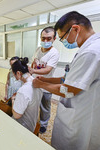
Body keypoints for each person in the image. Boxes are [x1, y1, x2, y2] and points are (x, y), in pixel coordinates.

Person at [32, 11, 100, 150]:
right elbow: (66, 78)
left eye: (63, 38)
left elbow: (69, 90)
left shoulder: (91, 52)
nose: (64, 43)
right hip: (74, 109)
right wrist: (46, 80)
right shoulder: (85, 49)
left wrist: (41, 83)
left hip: (80, 116)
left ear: (75, 29)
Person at [29, 26, 59, 134]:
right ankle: (34, 121)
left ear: (54, 39)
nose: (45, 41)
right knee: (34, 104)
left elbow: (47, 70)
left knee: (45, 107)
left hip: (46, 85)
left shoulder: (54, 53)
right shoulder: (38, 49)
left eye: (48, 38)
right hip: (35, 83)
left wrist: (33, 71)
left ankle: (43, 124)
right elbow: (34, 62)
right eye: (43, 38)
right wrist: (32, 70)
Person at [11, 57, 42, 132]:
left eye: (14, 74)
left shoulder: (23, 91)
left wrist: (13, 100)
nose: (14, 77)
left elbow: (16, 115)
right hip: (32, 123)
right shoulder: (37, 83)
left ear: (18, 73)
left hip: (23, 128)